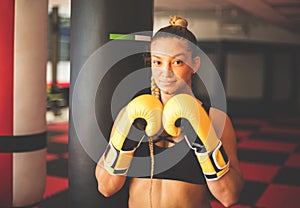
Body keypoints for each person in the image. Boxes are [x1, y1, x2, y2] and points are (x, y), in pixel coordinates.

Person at [95, 16, 244, 208]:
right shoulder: (132, 114)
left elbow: (229, 197)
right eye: (157, 62)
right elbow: (106, 188)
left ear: (195, 64)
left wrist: (206, 143)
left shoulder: (214, 118)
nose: (166, 72)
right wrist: (125, 142)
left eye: (177, 62)